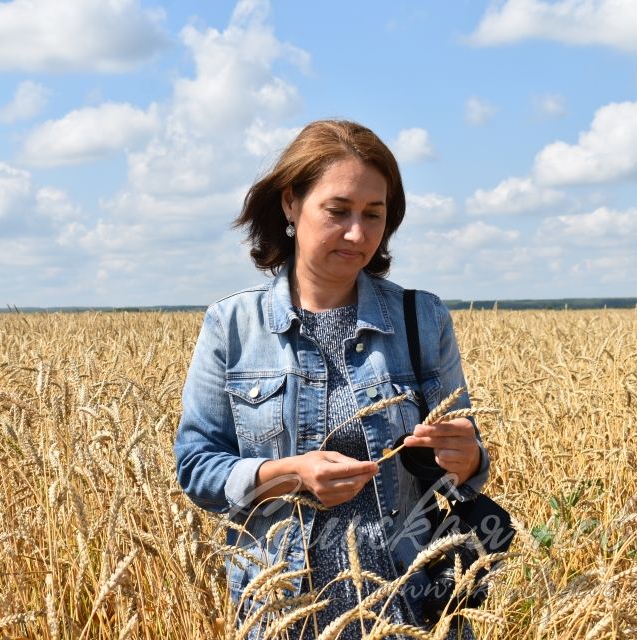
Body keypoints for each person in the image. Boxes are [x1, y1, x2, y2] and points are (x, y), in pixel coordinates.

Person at [173, 120, 490, 638]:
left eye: (374, 214)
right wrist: (289, 473)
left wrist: (467, 456)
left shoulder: (423, 319)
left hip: (411, 610)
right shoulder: (232, 327)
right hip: (285, 613)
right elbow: (197, 468)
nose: (358, 233)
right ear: (291, 204)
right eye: (338, 211)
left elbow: (467, 467)